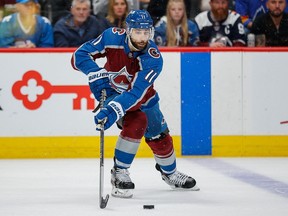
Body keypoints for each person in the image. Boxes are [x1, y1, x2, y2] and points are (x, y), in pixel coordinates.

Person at [71, 10, 199, 198]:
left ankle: (170, 174)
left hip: (144, 99)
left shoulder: (153, 58)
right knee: (137, 122)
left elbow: (136, 93)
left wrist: (112, 110)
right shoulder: (111, 36)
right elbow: (78, 56)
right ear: (128, 30)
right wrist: (94, 72)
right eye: (138, 32)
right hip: (115, 94)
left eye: (146, 32)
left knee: (160, 137)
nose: (142, 37)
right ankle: (120, 172)